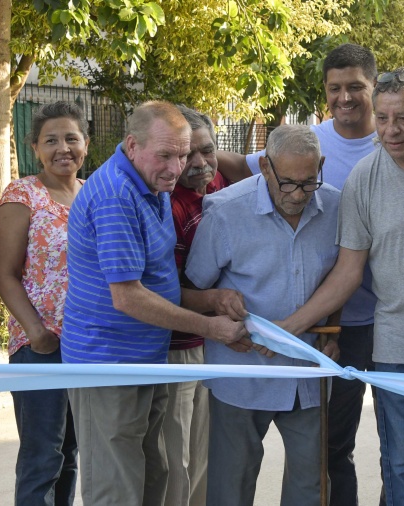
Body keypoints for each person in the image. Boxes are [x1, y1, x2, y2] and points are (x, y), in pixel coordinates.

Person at [60, 100, 251, 506]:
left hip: (146, 357)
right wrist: (210, 325)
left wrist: (211, 299)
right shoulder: (116, 195)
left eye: (183, 154)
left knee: (153, 478)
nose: (177, 167)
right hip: (108, 365)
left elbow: (157, 284)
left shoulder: (153, 183)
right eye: (166, 155)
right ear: (132, 145)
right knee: (117, 490)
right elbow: (128, 296)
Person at [281, 67, 404, 506]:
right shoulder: (364, 176)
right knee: (403, 466)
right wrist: (292, 328)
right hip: (395, 345)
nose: (391, 130)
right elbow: (347, 271)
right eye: (382, 118)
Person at [219, 43, 381, 505]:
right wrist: (195, 160)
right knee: (330, 448)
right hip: (327, 324)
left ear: (372, 85)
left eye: (356, 87)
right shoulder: (305, 145)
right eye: (335, 88)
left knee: (382, 445)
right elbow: (245, 169)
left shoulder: (392, 139)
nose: (345, 97)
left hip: (377, 318)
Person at [185, 124, 341, 506]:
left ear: (320, 166)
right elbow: (188, 292)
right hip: (241, 374)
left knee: (311, 488)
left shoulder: (337, 206)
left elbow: (339, 279)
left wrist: (333, 335)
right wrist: (217, 301)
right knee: (230, 487)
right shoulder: (224, 211)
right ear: (265, 168)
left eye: (308, 182)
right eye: (287, 183)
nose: (298, 195)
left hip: (309, 373)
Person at [0, 101, 86, 505]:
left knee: (70, 455)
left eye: (71, 138)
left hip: (87, 345)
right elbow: (5, 274)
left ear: (85, 142)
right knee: (41, 456)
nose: (63, 148)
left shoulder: (93, 193)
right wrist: (37, 333)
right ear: (34, 148)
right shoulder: (22, 194)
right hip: (41, 347)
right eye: (51, 140)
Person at [162, 105, 229, 506]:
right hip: (176, 349)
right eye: (189, 155)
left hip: (215, 345)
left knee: (207, 455)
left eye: (208, 150)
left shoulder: (219, 182)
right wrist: (215, 302)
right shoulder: (166, 204)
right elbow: (163, 291)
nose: (201, 163)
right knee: (176, 459)